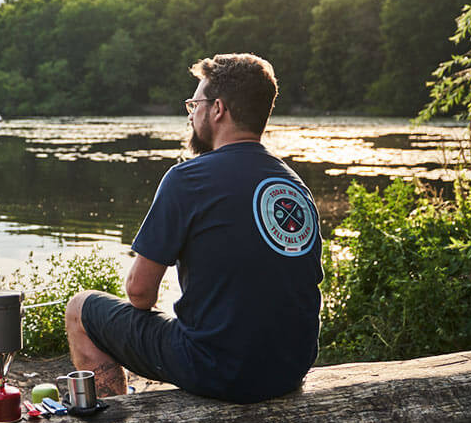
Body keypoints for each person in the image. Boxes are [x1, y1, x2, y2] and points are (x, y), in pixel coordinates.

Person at [65, 53, 322, 404]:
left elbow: (140, 293)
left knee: (80, 308)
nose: (190, 113)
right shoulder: (294, 186)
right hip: (290, 368)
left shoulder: (188, 178)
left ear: (218, 109)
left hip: (217, 369)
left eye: (195, 103)